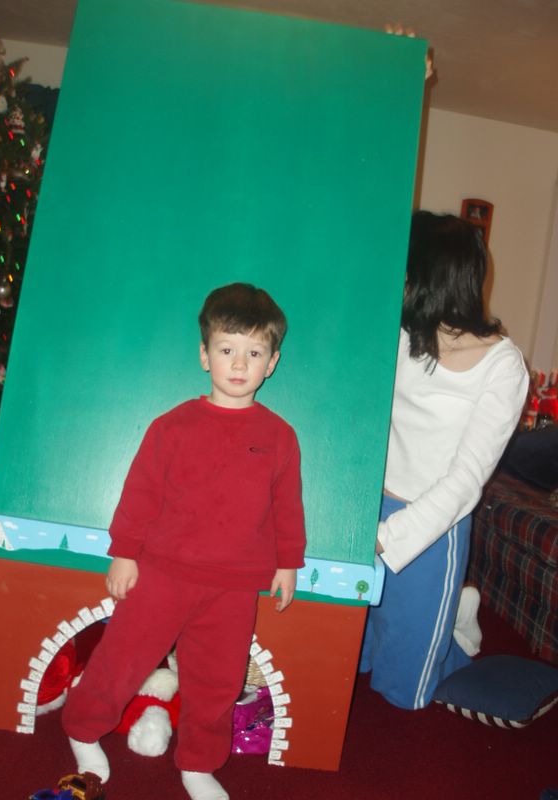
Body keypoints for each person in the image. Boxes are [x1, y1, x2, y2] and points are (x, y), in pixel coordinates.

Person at [62, 282, 306, 800]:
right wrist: (125, 552)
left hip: (233, 587)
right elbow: (140, 493)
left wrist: (288, 563)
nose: (238, 364)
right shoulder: (172, 427)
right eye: (226, 349)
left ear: (272, 363)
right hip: (161, 573)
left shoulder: (280, 436)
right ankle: (82, 729)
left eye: (254, 353)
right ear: (204, 355)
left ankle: (198, 763)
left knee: (218, 681)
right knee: (122, 659)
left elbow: (287, 507)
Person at [359, 210, 529, 710]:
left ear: (432, 277)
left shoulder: (503, 366)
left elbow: (465, 482)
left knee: (405, 690)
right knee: (357, 652)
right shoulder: (403, 335)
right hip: (373, 503)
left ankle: (455, 628)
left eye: (406, 271)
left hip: (434, 525)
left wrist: (388, 536)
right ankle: (451, 610)